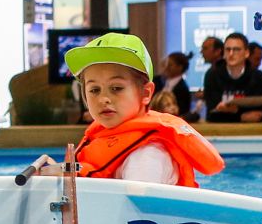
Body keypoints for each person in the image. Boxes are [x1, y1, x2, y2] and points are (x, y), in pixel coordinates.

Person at [45, 33, 224, 187]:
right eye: (94, 90)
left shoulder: (147, 157)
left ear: (146, 93)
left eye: (116, 88)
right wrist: (59, 174)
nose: (103, 98)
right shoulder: (107, 137)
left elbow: (128, 215)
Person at [203, 31, 262, 121]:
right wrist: (240, 116)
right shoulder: (212, 75)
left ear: (246, 53)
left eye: (236, 50)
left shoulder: (257, 76)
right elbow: (212, 113)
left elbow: (260, 112)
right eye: (228, 50)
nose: (231, 54)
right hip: (220, 131)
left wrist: (234, 111)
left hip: (253, 132)